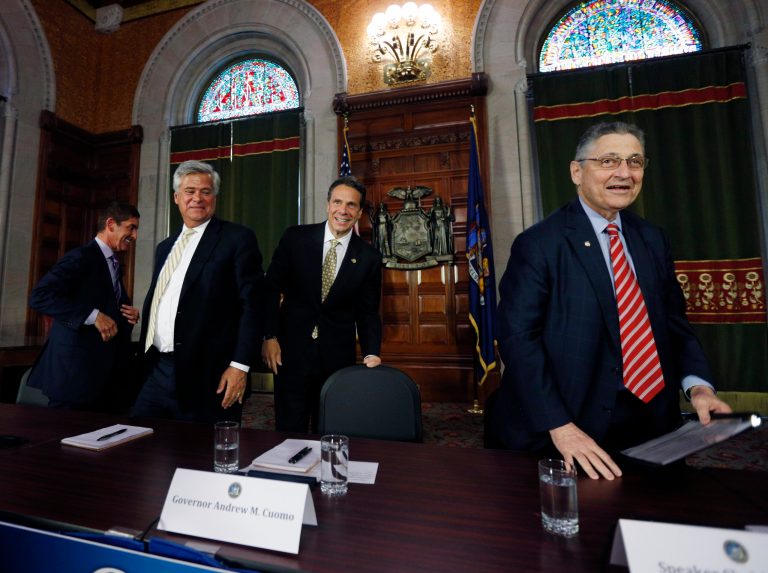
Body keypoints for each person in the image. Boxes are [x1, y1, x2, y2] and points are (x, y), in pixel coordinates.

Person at [489, 122, 731, 480]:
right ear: (577, 171)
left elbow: (673, 323)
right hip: (570, 426)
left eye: (635, 162)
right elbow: (517, 339)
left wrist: (699, 386)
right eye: (608, 161)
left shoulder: (652, 238)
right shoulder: (540, 244)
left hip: (651, 424)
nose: (624, 173)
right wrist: (561, 426)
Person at [133, 160, 264, 423]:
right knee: (143, 449)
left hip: (209, 375)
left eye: (205, 191)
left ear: (214, 197)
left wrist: (240, 366)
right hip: (157, 369)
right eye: (190, 191)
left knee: (201, 457)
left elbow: (254, 305)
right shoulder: (164, 247)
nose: (197, 198)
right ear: (176, 197)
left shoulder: (237, 239)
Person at [262, 176, 383, 432]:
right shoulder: (295, 238)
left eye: (351, 205)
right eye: (338, 202)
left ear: (359, 213)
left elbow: (368, 311)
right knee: (288, 429)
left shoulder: (369, 257)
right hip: (290, 353)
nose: (343, 210)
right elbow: (270, 289)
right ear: (328, 205)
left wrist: (372, 352)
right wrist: (269, 336)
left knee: (330, 430)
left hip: (336, 358)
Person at [27, 201, 141, 411]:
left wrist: (127, 315)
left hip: (103, 379)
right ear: (110, 224)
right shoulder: (80, 257)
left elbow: (105, 304)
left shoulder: (114, 263)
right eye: (131, 228)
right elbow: (40, 296)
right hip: (75, 378)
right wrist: (93, 315)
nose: (134, 236)